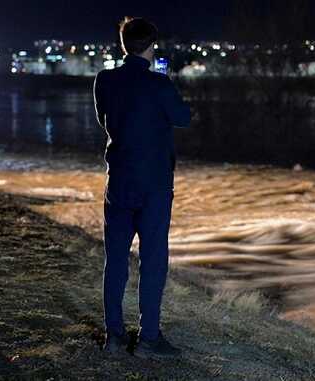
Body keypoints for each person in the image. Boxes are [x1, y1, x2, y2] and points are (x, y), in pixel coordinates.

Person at [94, 17, 190, 359]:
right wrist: (163, 90)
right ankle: (149, 339)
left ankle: (114, 337)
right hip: (154, 186)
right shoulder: (159, 85)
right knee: (152, 262)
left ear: (123, 46)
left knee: (115, 261)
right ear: (151, 46)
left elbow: (104, 120)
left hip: (119, 181)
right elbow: (184, 117)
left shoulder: (104, 80)